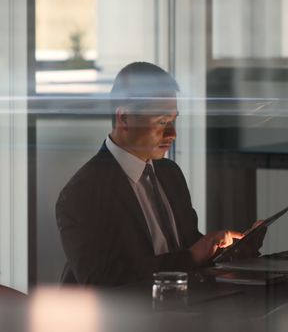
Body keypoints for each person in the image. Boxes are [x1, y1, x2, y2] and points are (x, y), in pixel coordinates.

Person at [55, 62, 264, 286]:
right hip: (127, 319)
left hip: (181, 309)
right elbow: (102, 283)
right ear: (124, 118)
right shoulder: (83, 193)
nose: (172, 133)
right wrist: (193, 255)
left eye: (174, 121)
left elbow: (188, 250)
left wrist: (228, 251)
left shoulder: (169, 173)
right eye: (162, 122)